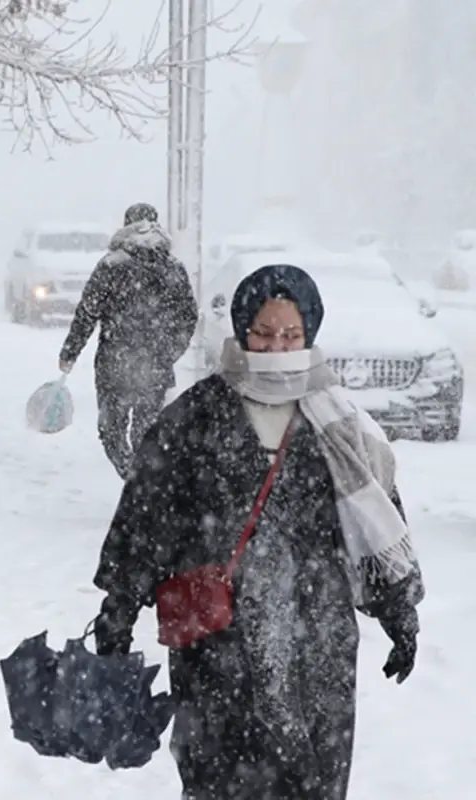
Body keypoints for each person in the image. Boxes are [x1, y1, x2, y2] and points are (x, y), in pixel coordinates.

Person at [91, 263, 424, 799]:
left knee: (312, 778)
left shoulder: (336, 420)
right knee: (218, 779)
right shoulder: (197, 415)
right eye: (263, 334)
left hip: (317, 640)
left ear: (309, 333)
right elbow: (147, 516)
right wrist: (118, 609)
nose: (275, 348)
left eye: (290, 335)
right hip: (220, 643)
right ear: (243, 330)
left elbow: (377, 520)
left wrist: (400, 611)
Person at [57, 202, 197, 478]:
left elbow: (88, 312)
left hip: (114, 363)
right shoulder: (173, 267)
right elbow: (188, 317)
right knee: (147, 431)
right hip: (155, 364)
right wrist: (170, 351)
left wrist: (69, 352)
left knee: (111, 432)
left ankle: (132, 477)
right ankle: (143, 483)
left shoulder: (111, 265)